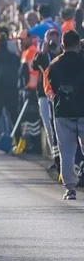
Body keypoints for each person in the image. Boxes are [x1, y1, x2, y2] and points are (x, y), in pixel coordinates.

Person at [45, 30, 84, 200]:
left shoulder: (55, 64)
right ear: (78, 44)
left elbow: (52, 86)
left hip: (63, 112)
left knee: (66, 151)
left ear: (62, 45)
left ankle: (70, 188)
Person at [32, 29, 63, 175]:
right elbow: (34, 65)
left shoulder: (62, 52)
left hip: (58, 93)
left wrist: (58, 51)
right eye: (49, 40)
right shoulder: (42, 55)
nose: (52, 43)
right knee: (48, 125)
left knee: (58, 125)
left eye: (54, 40)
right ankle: (55, 156)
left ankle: (60, 159)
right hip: (44, 93)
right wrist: (43, 52)